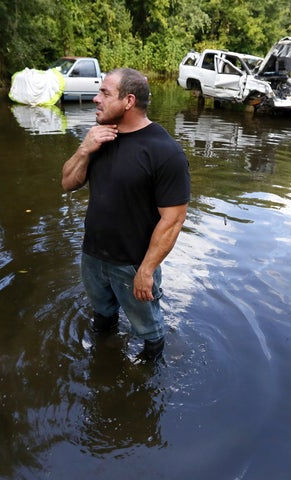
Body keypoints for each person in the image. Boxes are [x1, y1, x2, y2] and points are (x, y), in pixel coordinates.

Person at [61, 68, 190, 362]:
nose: (96, 99)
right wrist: (84, 149)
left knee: (149, 329)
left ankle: (147, 375)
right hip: (93, 256)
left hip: (132, 264)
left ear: (129, 100)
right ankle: (104, 360)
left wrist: (146, 271)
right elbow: (67, 183)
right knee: (102, 316)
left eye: (105, 93)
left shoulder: (165, 152)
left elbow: (173, 220)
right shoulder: (99, 137)